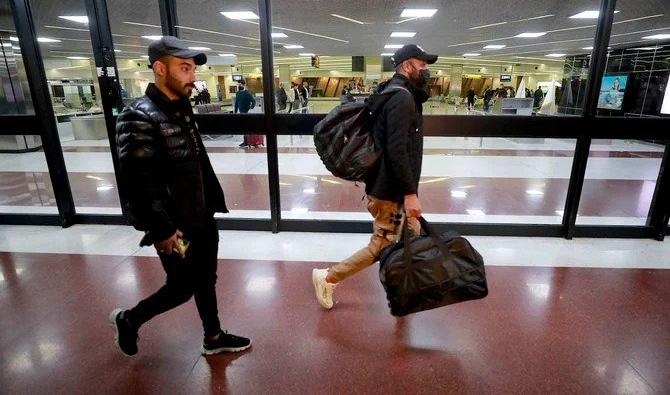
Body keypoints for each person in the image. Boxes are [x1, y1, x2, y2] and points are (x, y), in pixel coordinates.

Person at [112, 36, 251, 357]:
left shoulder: (179, 108)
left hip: (200, 215)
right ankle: (129, 319)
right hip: (174, 225)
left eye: (193, 69)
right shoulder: (138, 115)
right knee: (182, 286)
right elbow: (137, 179)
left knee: (206, 279)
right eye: (185, 68)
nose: (193, 77)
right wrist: (161, 229)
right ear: (160, 69)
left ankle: (213, 337)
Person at [311, 44, 436, 309]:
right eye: (422, 64)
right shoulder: (401, 98)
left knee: (412, 237)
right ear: (406, 66)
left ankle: (405, 289)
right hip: (390, 192)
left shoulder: (395, 92)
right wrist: (410, 194)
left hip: (389, 187)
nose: (426, 70)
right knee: (381, 246)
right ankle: (329, 277)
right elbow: (397, 150)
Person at [234, 79, 256, 147]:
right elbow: (236, 102)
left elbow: (253, 101)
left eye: (240, 84)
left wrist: (251, 108)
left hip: (246, 112)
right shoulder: (237, 93)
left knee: (246, 127)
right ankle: (245, 141)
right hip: (241, 113)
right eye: (238, 84)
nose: (239, 85)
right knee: (243, 127)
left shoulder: (247, 93)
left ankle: (247, 141)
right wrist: (235, 110)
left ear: (243, 85)